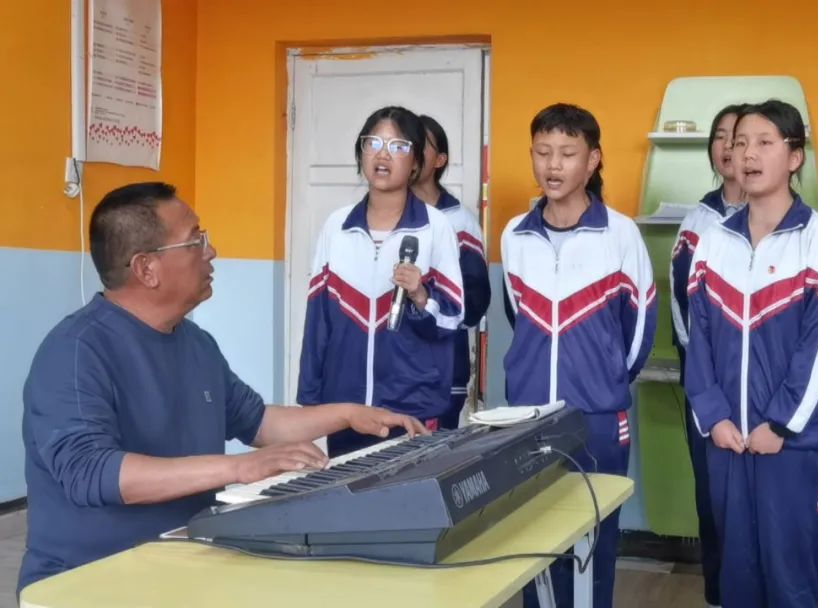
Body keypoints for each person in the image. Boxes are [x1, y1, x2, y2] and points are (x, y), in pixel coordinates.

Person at [18, 182, 426, 594]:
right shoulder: (75, 351)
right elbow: (92, 472)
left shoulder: (196, 343)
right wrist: (239, 467)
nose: (211, 251)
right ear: (146, 269)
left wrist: (349, 414)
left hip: (183, 565)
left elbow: (258, 422)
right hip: (88, 582)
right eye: (195, 240)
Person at [685, 100, 818, 607]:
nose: (747, 154)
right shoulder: (714, 242)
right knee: (736, 574)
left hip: (792, 444)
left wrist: (780, 424)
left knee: (789, 577)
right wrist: (713, 416)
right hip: (728, 439)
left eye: (763, 142)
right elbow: (698, 340)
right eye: (739, 143)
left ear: (795, 157)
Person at [501, 103, 657, 608]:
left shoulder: (620, 234)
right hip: (528, 420)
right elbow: (517, 314)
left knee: (595, 542)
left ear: (593, 160)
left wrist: (606, 381)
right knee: (532, 543)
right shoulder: (515, 235)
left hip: (598, 417)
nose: (553, 165)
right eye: (543, 152)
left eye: (567, 153)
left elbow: (640, 326)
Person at [298, 106, 464, 456]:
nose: (383, 154)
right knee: (348, 489)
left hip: (413, 407)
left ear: (416, 163)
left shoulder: (435, 228)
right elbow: (317, 321)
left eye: (398, 146)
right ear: (361, 153)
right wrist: (310, 404)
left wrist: (421, 295)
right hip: (346, 409)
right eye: (373, 143)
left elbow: (453, 318)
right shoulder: (337, 226)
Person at [669, 102, 747, 608]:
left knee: (761, 503)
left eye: (738, 136)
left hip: (763, 389)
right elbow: (682, 308)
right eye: (720, 136)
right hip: (707, 388)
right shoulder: (697, 222)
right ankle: (718, 595)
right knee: (714, 497)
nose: (728, 146)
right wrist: (702, 376)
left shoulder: (784, 219)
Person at [412, 114, 491, 428]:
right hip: (386, 374)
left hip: (441, 369)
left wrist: (426, 299)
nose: (412, 152)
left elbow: (474, 303)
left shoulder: (460, 221)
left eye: (422, 145)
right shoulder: (381, 216)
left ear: (440, 160)